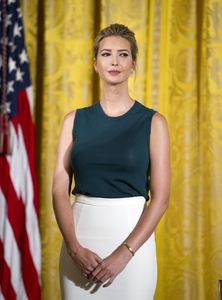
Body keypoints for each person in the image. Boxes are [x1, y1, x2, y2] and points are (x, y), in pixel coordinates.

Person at [52, 23, 171, 300]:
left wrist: (124, 254)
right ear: (95, 64)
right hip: (79, 243)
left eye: (123, 54)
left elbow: (161, 198)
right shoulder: (73, 120)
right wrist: (74, 249)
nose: (115, 61)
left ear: (133, 64)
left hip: (133, 248)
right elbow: (59, 188)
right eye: (106, 54)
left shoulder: (154, 122)